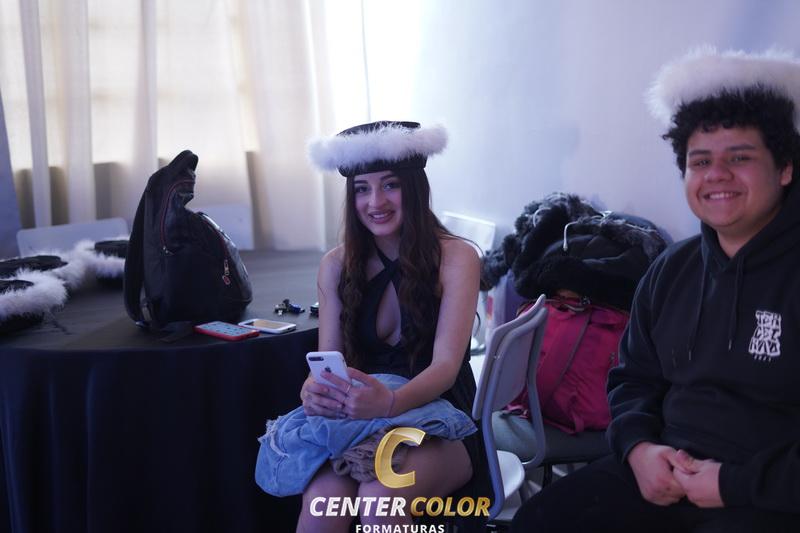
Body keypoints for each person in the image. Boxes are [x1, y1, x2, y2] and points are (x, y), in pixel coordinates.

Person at [510, 47, 800, 533]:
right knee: (540, 519)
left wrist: (734, 484)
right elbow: (632, 378)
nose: (717, 174)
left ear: (785, 168)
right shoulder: (672, 269)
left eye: (740, 158)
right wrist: (638, 449)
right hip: (660, 474)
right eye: (700, 161)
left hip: (767, 496)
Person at [295, 121, 488, 532]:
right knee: (321, 502)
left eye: (390, 185)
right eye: (362, 189)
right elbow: (329, 361)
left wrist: (390, 403)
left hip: (443, 416)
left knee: (381, 498)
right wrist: (313, 390)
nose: (375, 201)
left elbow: (446, 367)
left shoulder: (457, 258)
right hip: (362, 421)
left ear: (414, 188)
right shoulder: (335, 265)